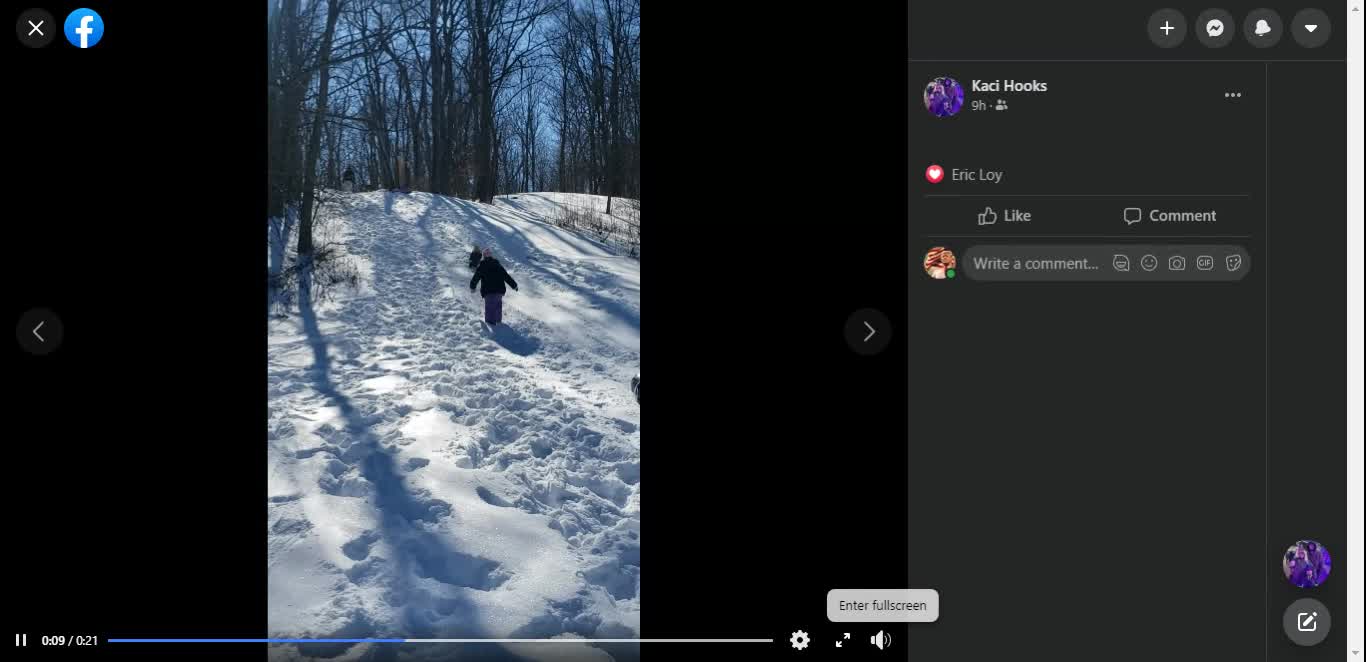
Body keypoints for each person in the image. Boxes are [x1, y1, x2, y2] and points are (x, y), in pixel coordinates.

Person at [469, 248, 518, 326]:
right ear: (491, 256)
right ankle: (499, 323)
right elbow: (506, 276)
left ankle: (490, 324)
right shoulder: (497, 265)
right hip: (499, 291)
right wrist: (514, 285)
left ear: (484, 257)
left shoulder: (482, 265)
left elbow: (476, 277)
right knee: (498, 307)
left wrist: (472, 287)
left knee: (489, 308)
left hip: (488, 291)